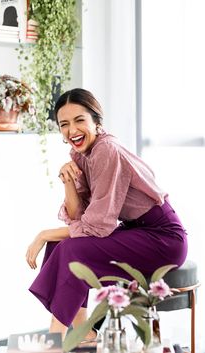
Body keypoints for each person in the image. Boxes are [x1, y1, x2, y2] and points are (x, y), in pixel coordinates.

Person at [26, 88, 188, 341]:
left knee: (70, 248)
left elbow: (97, 225)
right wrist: (68, 181)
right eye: (64, 124)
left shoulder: (106, 149)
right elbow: (78, 216)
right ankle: (86, 334)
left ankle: (54, 340)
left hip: (163, 239)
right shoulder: (81, 154)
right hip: (138, 231)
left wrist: (43, 234)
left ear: (96, 121)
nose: (72, 131)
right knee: (61, 242)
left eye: (80, 120)